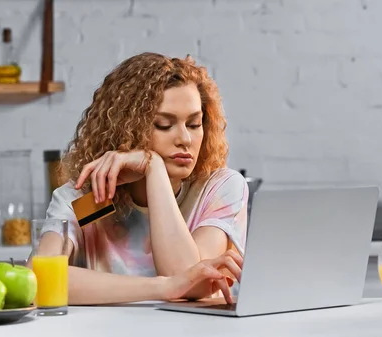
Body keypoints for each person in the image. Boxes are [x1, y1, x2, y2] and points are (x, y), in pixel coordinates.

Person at [32, 52, 249, 305]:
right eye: (163, 125)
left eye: (194, 124)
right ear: (126, 128)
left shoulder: (218, 189)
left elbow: (189, 282)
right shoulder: (94, 203)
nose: (185, 139)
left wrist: (153, 168)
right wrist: (162, 288)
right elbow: (40, 281)